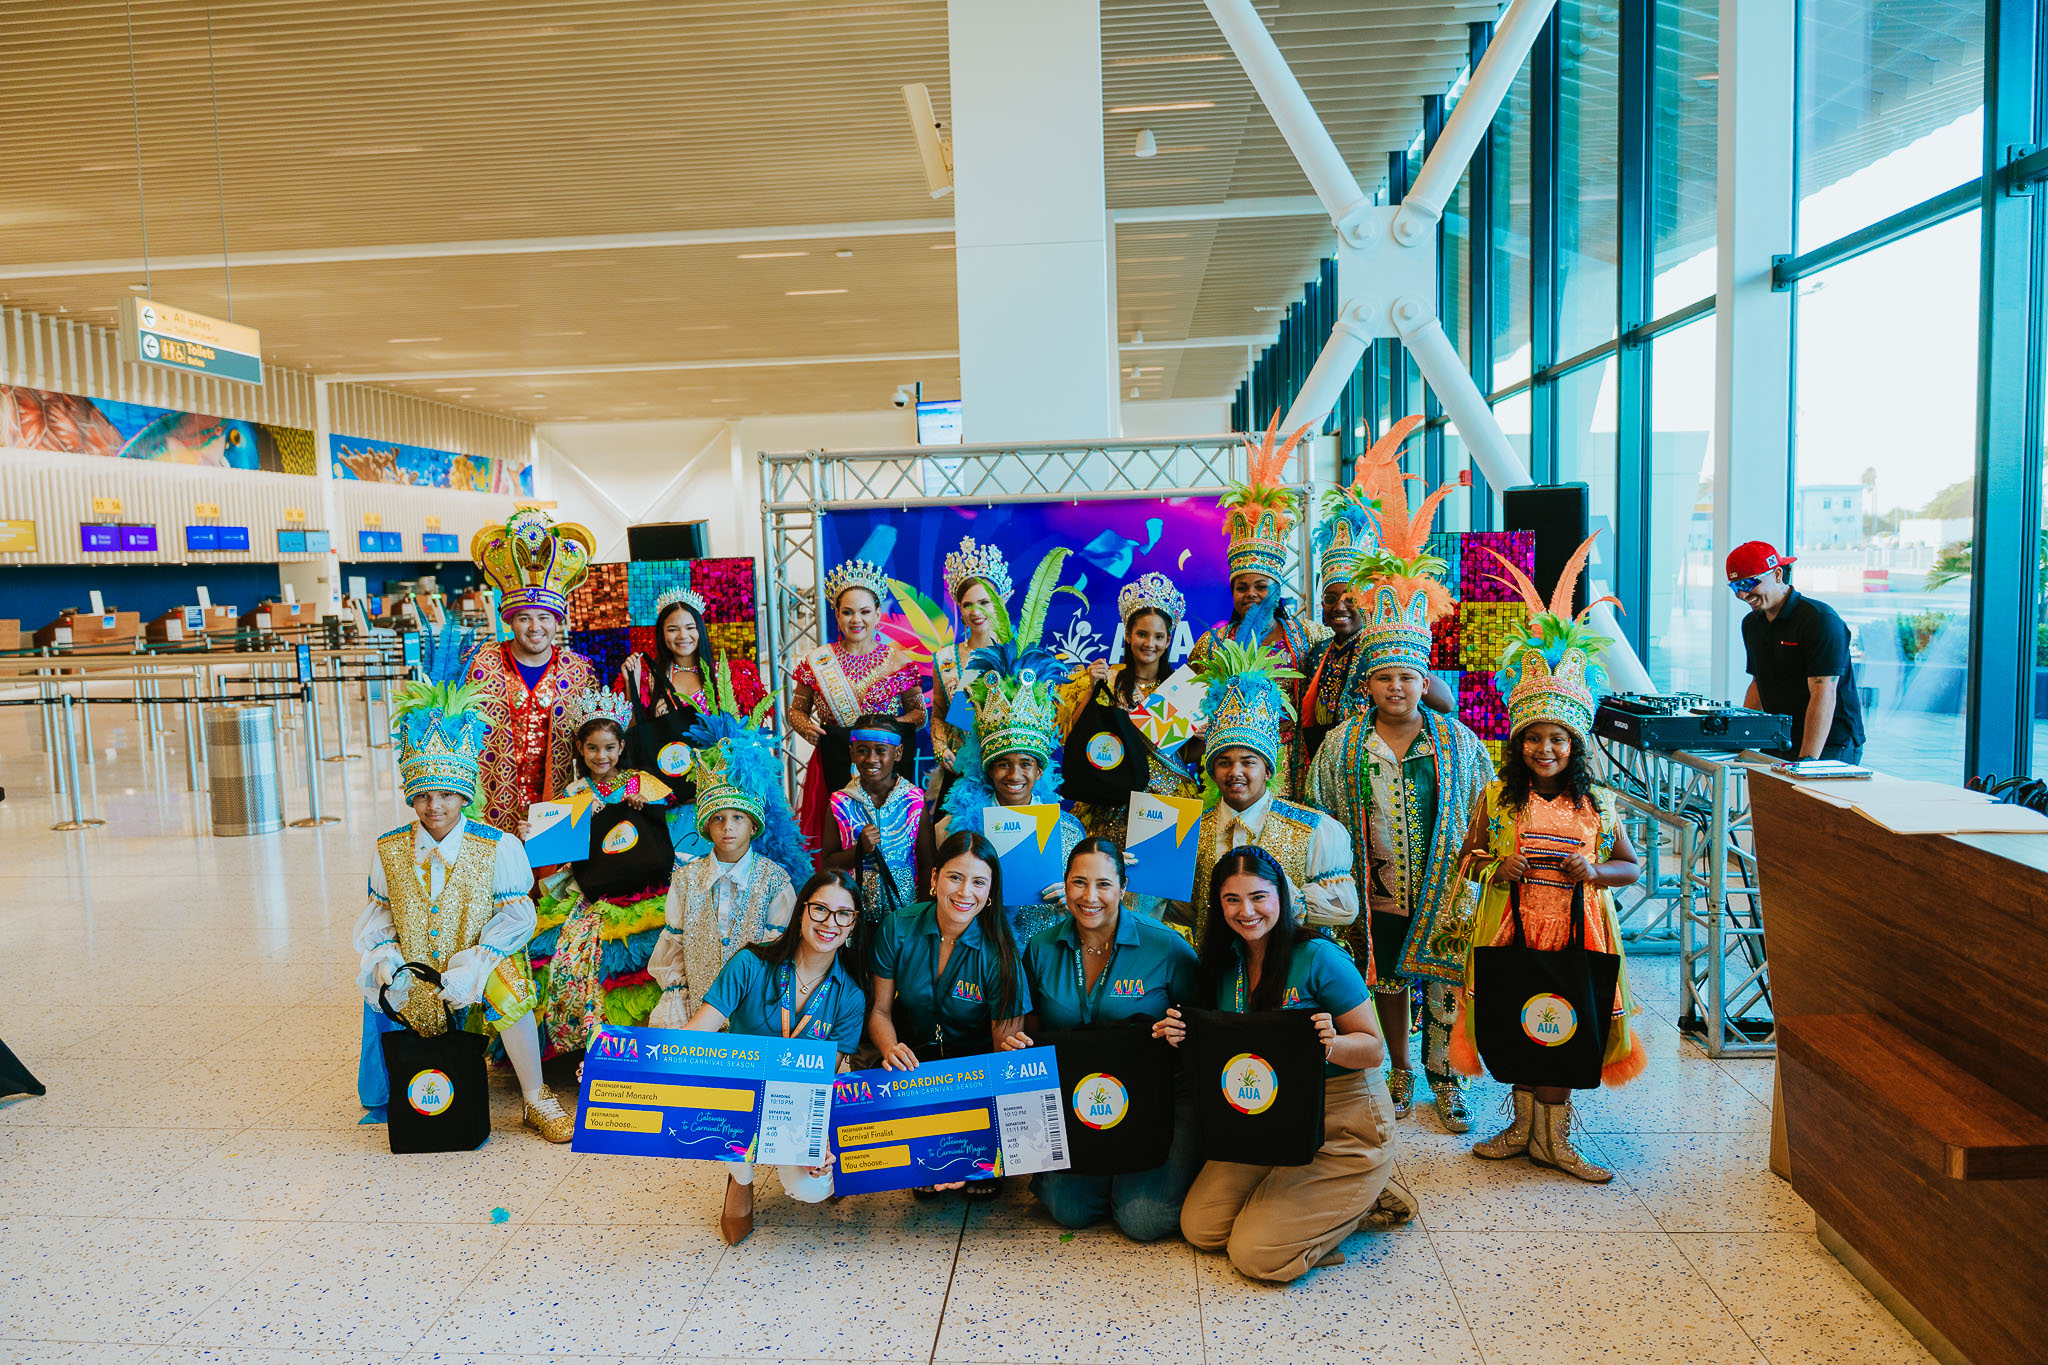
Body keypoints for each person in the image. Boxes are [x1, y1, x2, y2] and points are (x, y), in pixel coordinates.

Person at [1449, 534, 1648, 1182]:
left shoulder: (1599, 804)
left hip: (1577, 931)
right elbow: (1468, 856)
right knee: (1515, 1021)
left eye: (1557, 738)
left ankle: (1555, 1139)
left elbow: (1632, 868)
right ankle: (1519, 1127)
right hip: (1511, 927)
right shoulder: (1497, 797)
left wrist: (1596, 873)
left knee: (1566, 1023)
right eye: (1533, 737)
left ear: (1574, 743)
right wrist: (1490, 869)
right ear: (1518, 744)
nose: (1544, 749)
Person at [1307, 447, 1492, 1134]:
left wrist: (1475, 866)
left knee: (1441, 980)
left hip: (1441, 886)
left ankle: (1445, 1074)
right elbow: (1320, 818)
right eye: (1384, 677)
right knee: (1383, 979)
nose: (1395, 687)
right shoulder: (1342, 743)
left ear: (1423, 680)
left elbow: (1485, 807)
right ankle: (1397, 1068)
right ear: (1370, 682)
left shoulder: (1456, 741)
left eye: (1407, 678)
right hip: (1371, 889)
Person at [353, 639, 575, 1143]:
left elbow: (518, 918)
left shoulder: (496, 846)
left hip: (481, 956)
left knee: (511, 989)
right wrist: (388, 960)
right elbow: (380, 916)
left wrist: (476, 963)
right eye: (425, 795)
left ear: (465, 796)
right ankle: (417, 1086)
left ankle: (535, 1097)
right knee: (388, 989)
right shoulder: (389, 848)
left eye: (448, 795)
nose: (435, 807)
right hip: (417, 958)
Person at [1159, 847, 1413, 1283]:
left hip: (1342, 1122)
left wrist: (1329, 1044)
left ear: (1281, 897)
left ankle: (1355, 1198)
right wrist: (1179, 1035)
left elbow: (1374, 1049)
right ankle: (1316, 1201)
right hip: (1271, 1119)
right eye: (1232, 899)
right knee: (1201, 1228)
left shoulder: (1320, 956)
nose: (1246, 911)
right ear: (1218, 906)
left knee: (1255, 1254)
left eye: (1259, 896)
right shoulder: (1222, 963)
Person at [1005, 837, 1200, 1241]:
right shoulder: (1041, 949)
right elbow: (1032, 1031)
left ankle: (1147, 1181)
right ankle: (1111, 1177)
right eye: (1079, 883)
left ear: (1124, 888)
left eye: (1104, 884)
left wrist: (1184, 1032)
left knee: (1141, 1220)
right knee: (1069, 1210)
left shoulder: (1166, 947)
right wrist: (1016, 1045)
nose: (1090, 896)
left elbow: (1203, 1025)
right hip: (1078, 1098)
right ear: (1065, 884)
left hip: (1155, 1101)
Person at [682, 868, 869, 1244]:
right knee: (739, 1147)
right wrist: (615, 1063)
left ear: (852, 926)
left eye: (843, 914)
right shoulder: (750, 964)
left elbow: (825, 1084)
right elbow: (694, 1036)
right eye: (819, 909)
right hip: (739, 1096)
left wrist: (818, 1140)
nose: (830, 922)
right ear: (801, 911)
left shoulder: (850, 996)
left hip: (793, 1104)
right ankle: (741, 1173)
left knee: (815, 1189)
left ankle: (769, 1155)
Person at [1172, 615, 1357, 950]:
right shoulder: (1187, 830)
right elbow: (1176, 908)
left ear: (1269, 770)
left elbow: (1344, 908)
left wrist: (1282, 899)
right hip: (1215, 983)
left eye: (1248, 762)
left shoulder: (1314, 830)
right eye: (1224, 763)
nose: (1235, 772)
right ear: (1212, 771)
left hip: (1289, 985)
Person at [936, 547, 1089, 944]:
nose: (1014, 775)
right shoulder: (958, 831)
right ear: (989, 769)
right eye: (1003, 764)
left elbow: (1086, 912)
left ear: (1040, 771)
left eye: (1025, 764)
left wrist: (1074, 898)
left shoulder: (1067, 832)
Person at [867, 829, 1031, 1198]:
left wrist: (968, 1142)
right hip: (913, 1071)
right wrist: (891, 1049)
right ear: (934, 878)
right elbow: (879, 1010)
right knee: (915, 1168)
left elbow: (1003, 1059)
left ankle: (981, 1156)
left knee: (964, 1162)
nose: (964, 892)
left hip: (975, 1078)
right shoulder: (897, 928)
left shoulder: (1001, 956)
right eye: (955, 877)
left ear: (990, 893)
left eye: (978, 882)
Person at [647, 664, 813, 1027]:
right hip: (696, 1013)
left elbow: (781, 951)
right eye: (719, 818)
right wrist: (677, 1000)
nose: (727, 827)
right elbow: (674, 948)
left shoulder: (775, 880)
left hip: (756, 1015)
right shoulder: (686, 880)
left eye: (738, 818)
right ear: (705, 825)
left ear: (754, 825)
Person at [520, 686, 678, 1058]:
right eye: (593, 748)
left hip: (646, 891)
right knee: (571, 955)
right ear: (580, 749)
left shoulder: (641, 780)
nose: (601, 755)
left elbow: (670, 806)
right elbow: (556, 848)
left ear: (622, 747)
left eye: (609, 747)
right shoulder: (574, 791)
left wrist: (647, 802)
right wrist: (534, 835)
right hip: (593, 891)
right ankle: (581, 1044)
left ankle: (644, 1043)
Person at [1188, 415, 1330, 798]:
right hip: (1233, 773)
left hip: (1296, 768)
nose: (1251, 594)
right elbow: (1182, 711)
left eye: (1261, 586)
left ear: (1278, 587)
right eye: (1242, 587)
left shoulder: (1312, 637)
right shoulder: (1212, 644)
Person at [465, 509, 602, 834]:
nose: (535, 627)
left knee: (556, 883)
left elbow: (599, 740)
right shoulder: (481, 664)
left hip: (560, 804)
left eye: (545, 617)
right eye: (524, 617)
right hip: (491, 804)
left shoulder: (580, 671)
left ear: (558, 621)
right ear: (509, 620)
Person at [1057, 571, 1201, 860]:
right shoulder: (1107, 680)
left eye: (1159, 636)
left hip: (1167, 807)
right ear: (1127, 634)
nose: (1150, 643)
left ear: (1169, 638)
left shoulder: (1185, 688)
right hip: (1113, 804)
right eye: (1142, 634)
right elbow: (1073, 737)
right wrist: (1090, 688)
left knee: (1160, 897)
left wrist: (1202, 737)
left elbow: (1188, 756)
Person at [787, 558, 927, 847]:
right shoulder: (817, 662)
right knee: (836, 840)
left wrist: (885, 727)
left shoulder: (899, 662)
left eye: (864, 611)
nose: (856, 620)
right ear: (836, 615)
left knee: (889, 838)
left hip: (883, 761)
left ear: (878, 613)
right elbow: (795, 711)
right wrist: (807, 728)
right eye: (847, 612)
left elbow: (919, 714)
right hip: (833, 760)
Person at [1728, 540, 1866, 763]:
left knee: (1803, 796)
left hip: (1829, 742)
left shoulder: (1819, 620)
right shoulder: (1751, 624)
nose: (1743, 595)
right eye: (1736, 587)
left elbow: (1824, 691)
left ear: (1777, 575)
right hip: (1781, 737)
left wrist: (1808, 760)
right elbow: (1758, 682)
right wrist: (1742, 741)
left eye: (1749, 583)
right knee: (1766, 797)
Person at [819, 713, 925, 923]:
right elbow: (828, 863)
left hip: (905, 918)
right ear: (851, 753)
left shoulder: (914, 801)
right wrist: (859, 850)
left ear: (898, 752)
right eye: (862, 751)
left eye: (880, 751)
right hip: (854, 917)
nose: (871, 759)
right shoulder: (840, 803)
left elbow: (927, 862)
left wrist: (922, 917)